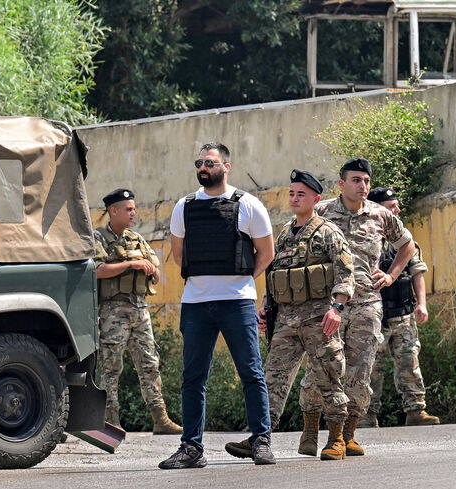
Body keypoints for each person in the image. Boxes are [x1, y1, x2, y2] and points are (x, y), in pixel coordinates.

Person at [224, 169, 355, 461]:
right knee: (272, 378)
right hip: (285, 320)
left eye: (302, 194)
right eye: (292, 193)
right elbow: (275, 275)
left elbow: (346, 273)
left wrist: (337, 308)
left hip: (319, 318)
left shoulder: (328, 232)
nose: (295, 198)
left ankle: (336, 440)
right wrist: (265, 306)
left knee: (328, 376)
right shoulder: (283, 234)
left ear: (316, 199)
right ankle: (260, 438)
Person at [159, 142, 275, 469]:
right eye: (199, 162)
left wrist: (239, 278)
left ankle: (261, 440)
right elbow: (180, 256)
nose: (203, 167)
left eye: (209, 162)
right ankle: (191, 448)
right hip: (196, 303)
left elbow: (266, 254)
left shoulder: (249, 205)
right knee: (193, 377)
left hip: (236, 302)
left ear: (226, 166)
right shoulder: (184, 206)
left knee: (251, 373)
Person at [297, 157, 415, 457]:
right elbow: (291, 249)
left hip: (366, 305)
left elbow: (407, 245)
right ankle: (310, 430)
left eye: (366, 181)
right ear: (341, 183)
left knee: (360, 372)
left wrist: (391, 275)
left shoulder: (379, 215)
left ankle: (344, 437)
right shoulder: (321, 212)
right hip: (327, 306)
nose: (363, 186)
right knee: (319, 369)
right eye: (356, 180)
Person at [94, 188, 182, 435]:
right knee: (111, 367)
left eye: (134, 208)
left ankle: (160, 419)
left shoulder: (137, 238)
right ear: (114, 211)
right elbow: (97, 270)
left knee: (150, 363)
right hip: (113, 312)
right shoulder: (98, 237)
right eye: (129, 209)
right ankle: (110, 421)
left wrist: (152, 271)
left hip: (140, 310)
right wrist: (132, 264)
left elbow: (155, 268)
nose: (134, 213)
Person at [364, 187, 439, 428]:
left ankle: (416, 411)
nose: (396, 210)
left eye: (396, 206)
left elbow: (417, 273)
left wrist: (422, 304)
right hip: (375, 317)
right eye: (391, 206)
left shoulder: (406, 242)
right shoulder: (365, 241)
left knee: (409, 364)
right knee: (371, 369)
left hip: (404, 316)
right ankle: (366, 416)